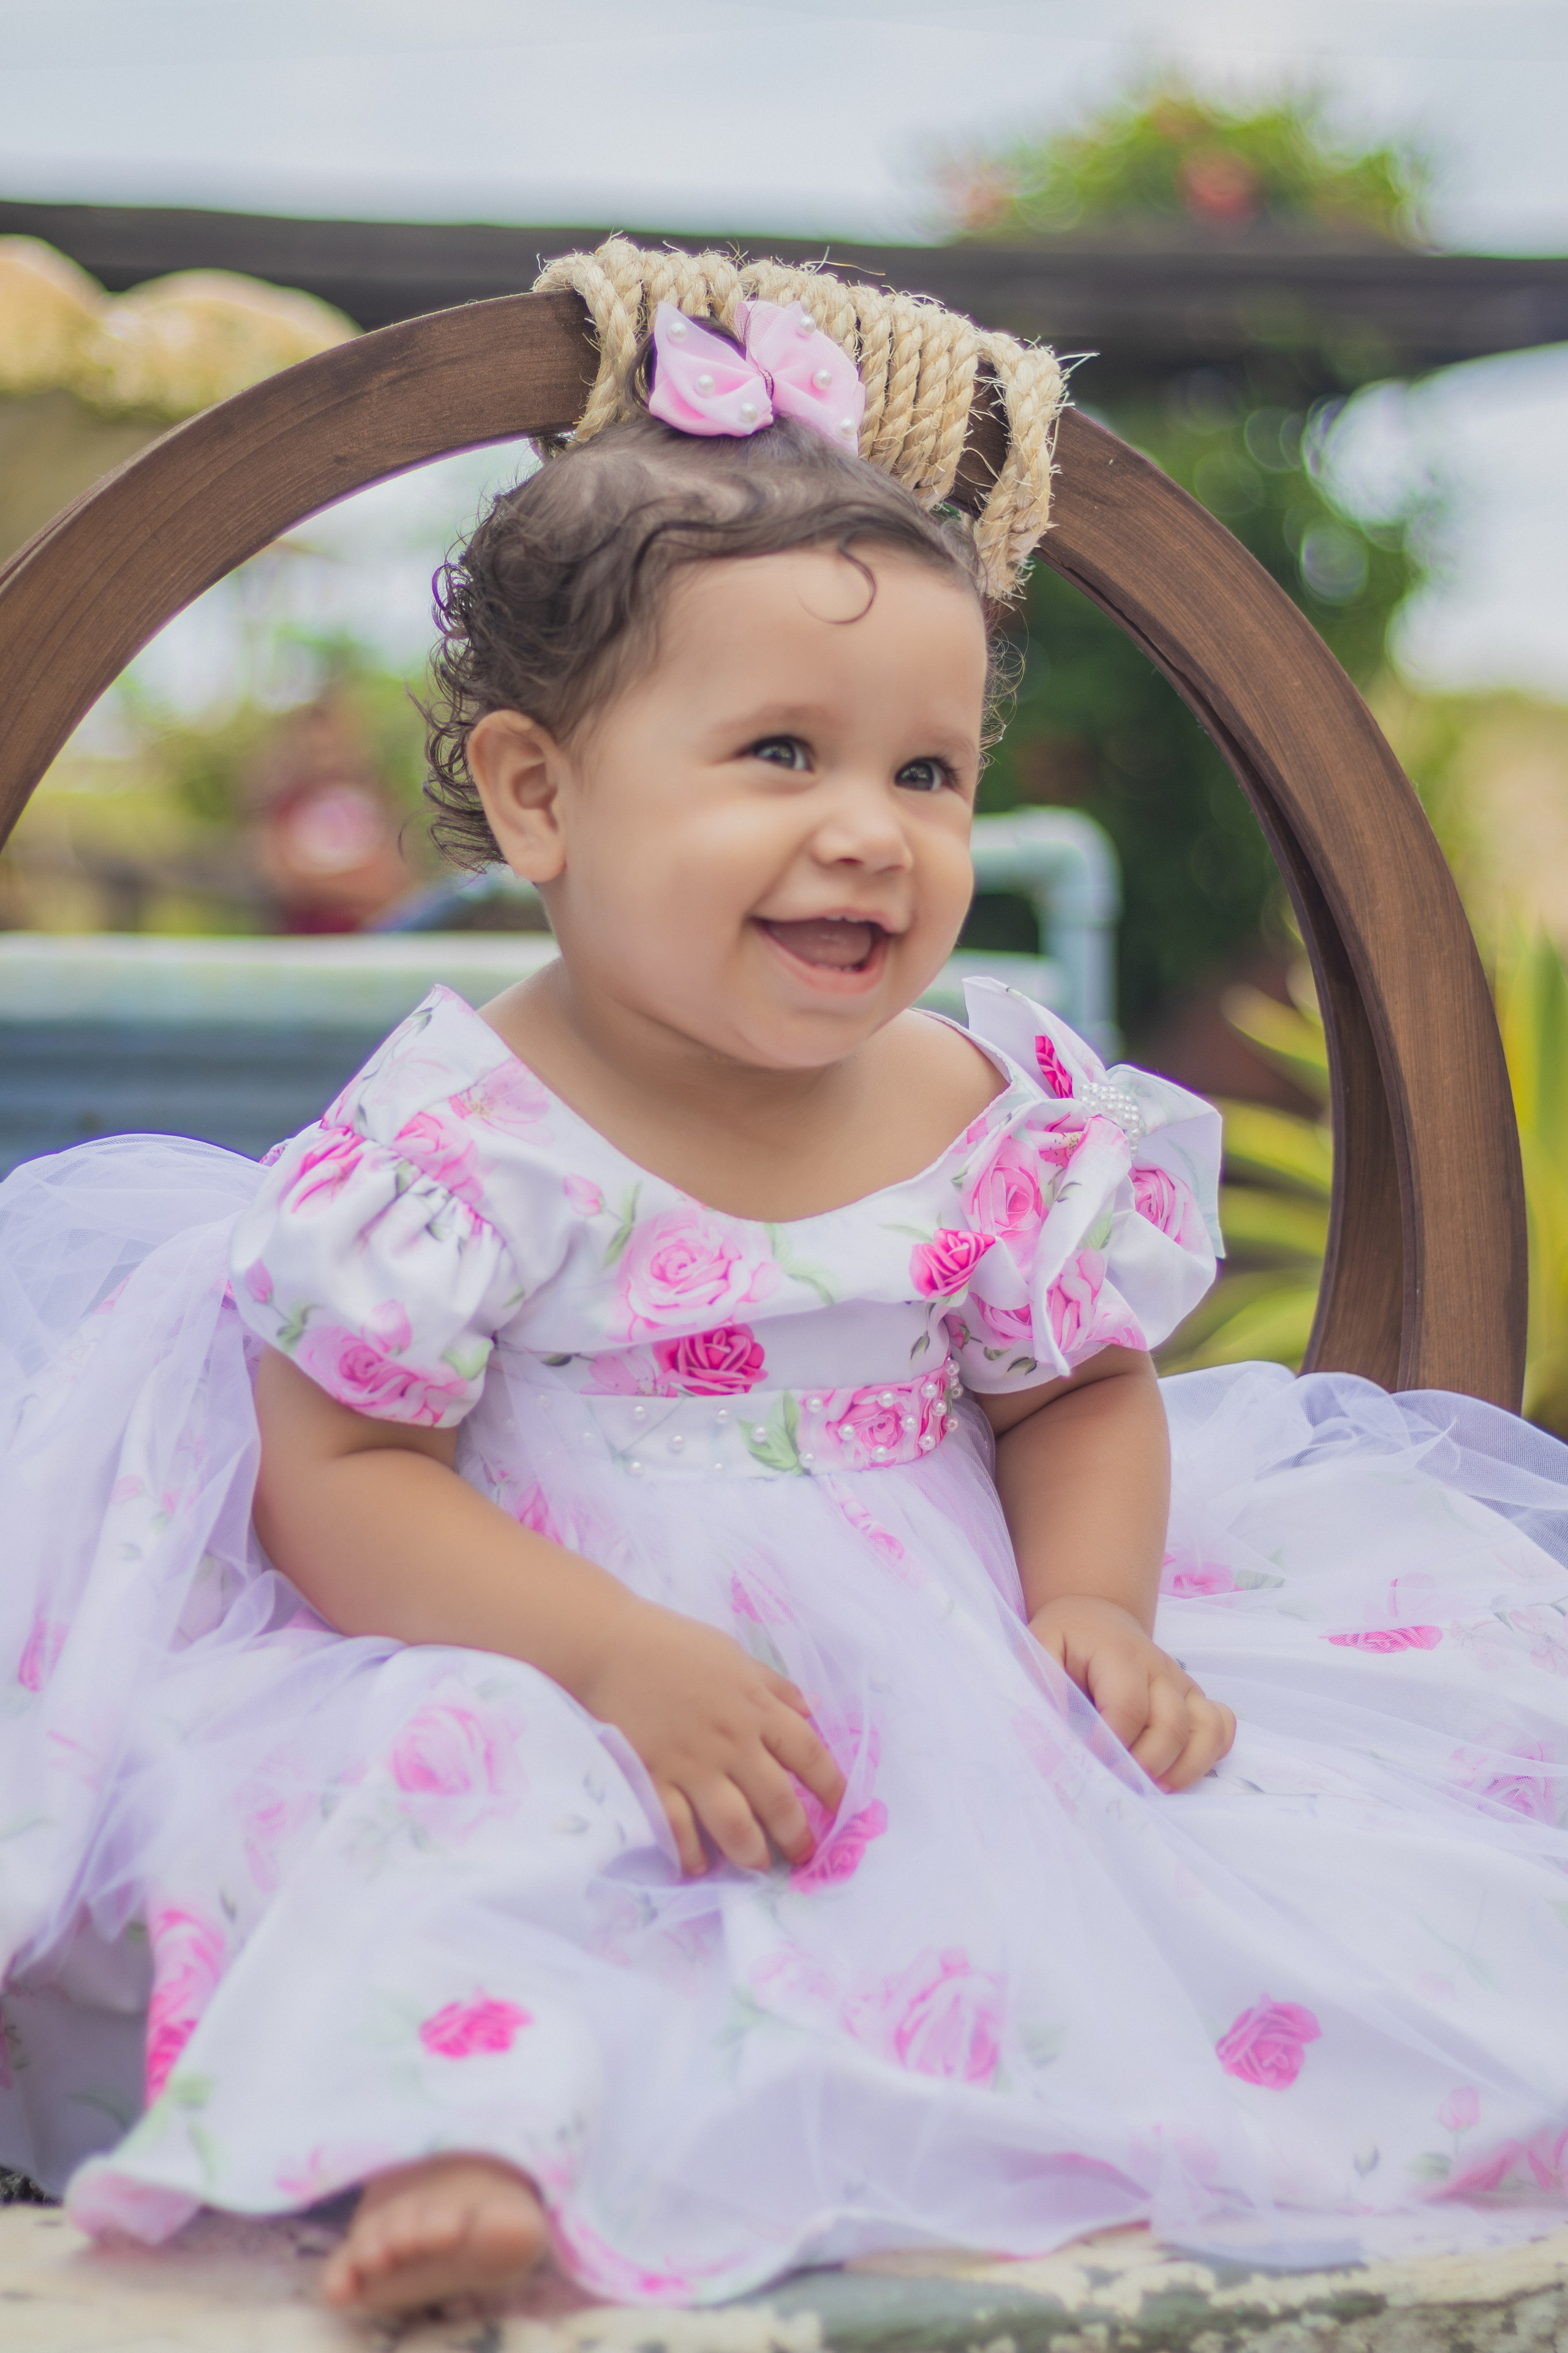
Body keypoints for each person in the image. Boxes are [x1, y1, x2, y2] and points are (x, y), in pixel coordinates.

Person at [2, 287, 1567, 2324]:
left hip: (942, 1635)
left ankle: (1028, 2106)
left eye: (929, 771)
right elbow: (342, 1470)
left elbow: (1075, 1386)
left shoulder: (986, 1110)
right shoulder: (471, 1139)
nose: (871, 829)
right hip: (532, 1621)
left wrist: (1091, 1604)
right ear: (543, 797)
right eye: (778, 754)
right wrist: (614, 1658)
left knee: (1207, 1838)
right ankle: (464, 2135)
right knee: (446, 1803)